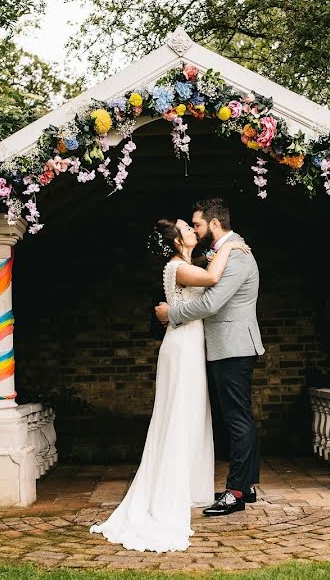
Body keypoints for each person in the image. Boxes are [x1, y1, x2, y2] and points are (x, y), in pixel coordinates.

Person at [90, 217, 249, 553]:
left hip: (191, 345)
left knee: (191, 414)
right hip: (181, 348)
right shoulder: (176, 267)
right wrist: (230, 246)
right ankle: (169, 491)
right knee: (180, 413)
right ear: (177, 241)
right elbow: (211, 278)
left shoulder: (185, 263)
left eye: (192, 227)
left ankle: (188, 487)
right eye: (187, 229)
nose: (193, 232)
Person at [155, 198, 265, 517]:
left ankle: (235, 492)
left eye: (199, 224)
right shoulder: (224, 252)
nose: (197, 230)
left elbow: (211, 304)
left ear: (214, 224)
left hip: (233, 346)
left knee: (236, 418)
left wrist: (172, 314)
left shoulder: (237, 255)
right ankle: (246, 485)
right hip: (226, 345)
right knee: (237, 415)